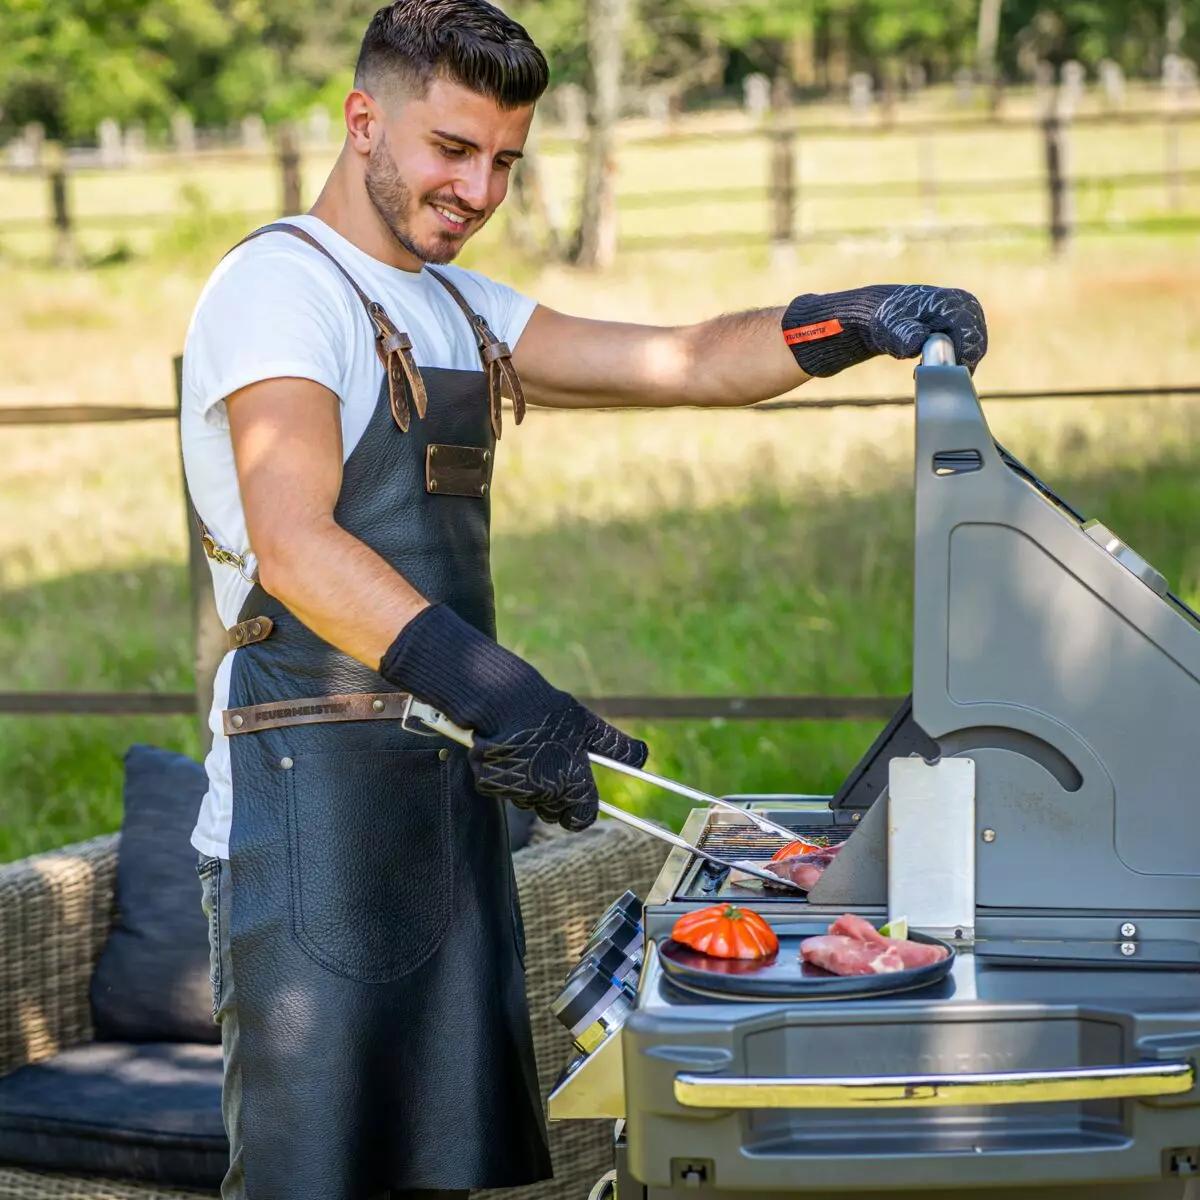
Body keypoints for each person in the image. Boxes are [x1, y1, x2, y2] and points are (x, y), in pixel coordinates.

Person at [180, 1, 988, 1197]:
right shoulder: (279, 291)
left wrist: (848, 321)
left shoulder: (458, 307)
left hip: (439, 800)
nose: (480, 189)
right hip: (300, 824)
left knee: (447, 1170)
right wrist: (506, 692)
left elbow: (688, 360)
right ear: (363, 122)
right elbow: (293, 544)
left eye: (504, 159)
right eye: (451, 149)